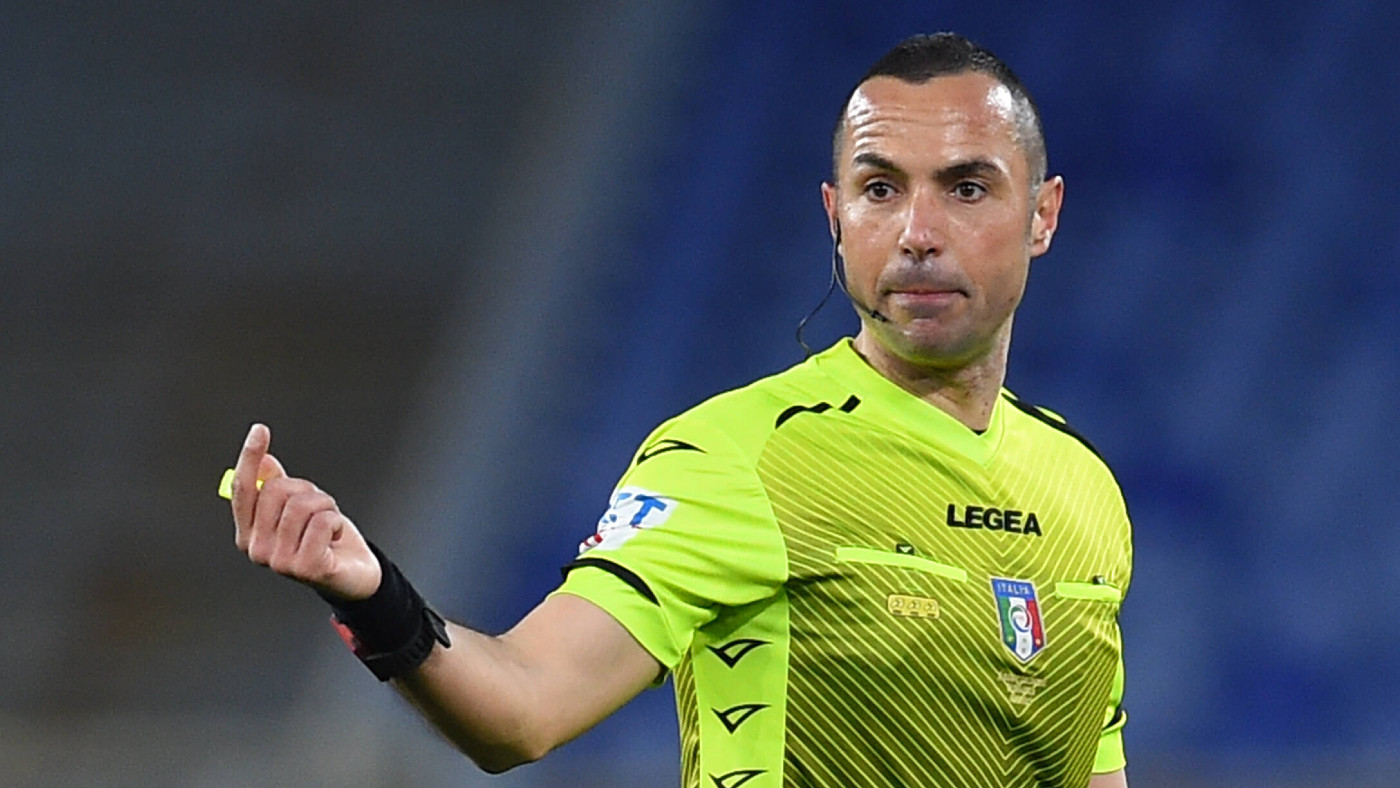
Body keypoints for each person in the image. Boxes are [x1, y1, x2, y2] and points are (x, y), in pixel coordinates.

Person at [228, 32, 1131, 788]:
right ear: (835, 215)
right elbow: (525, 706)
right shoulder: (743, 457)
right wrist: (374, 596)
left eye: (966, 188)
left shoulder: (1085, 492)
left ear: (1043, 214)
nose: (918, 234)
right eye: (880, 189)